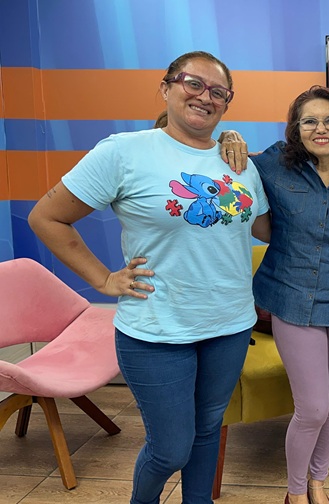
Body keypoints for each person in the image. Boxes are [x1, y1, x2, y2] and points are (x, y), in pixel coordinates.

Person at [28, 50, 270, 504]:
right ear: (166, 87)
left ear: (227, 103)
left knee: (207, 430)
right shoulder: (124, 152)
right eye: (193, 83)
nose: (205, 97)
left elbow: (267, 228)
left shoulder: (239, 163)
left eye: (219, 92)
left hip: (230, 325)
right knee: (170, 447)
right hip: (156, 329)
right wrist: (103, 281)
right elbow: (47, 218)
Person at [249, 86, 329, 504]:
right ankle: (295, 491)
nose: (321, 128)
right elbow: (224, 164)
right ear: (295, 129)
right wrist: (229, 139)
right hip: (292, 297)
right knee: (313, 407)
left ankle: (318, 481)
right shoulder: (273, 165)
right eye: (310, 121)